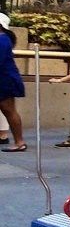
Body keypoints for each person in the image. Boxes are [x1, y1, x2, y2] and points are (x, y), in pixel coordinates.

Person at [0, 11, 26, 152]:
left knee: (9, 110)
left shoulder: (3, 40)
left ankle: (19, 142)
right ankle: (19, 141)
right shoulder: (4, 39)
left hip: (5, 79)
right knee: (8, 110)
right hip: (5, 78)